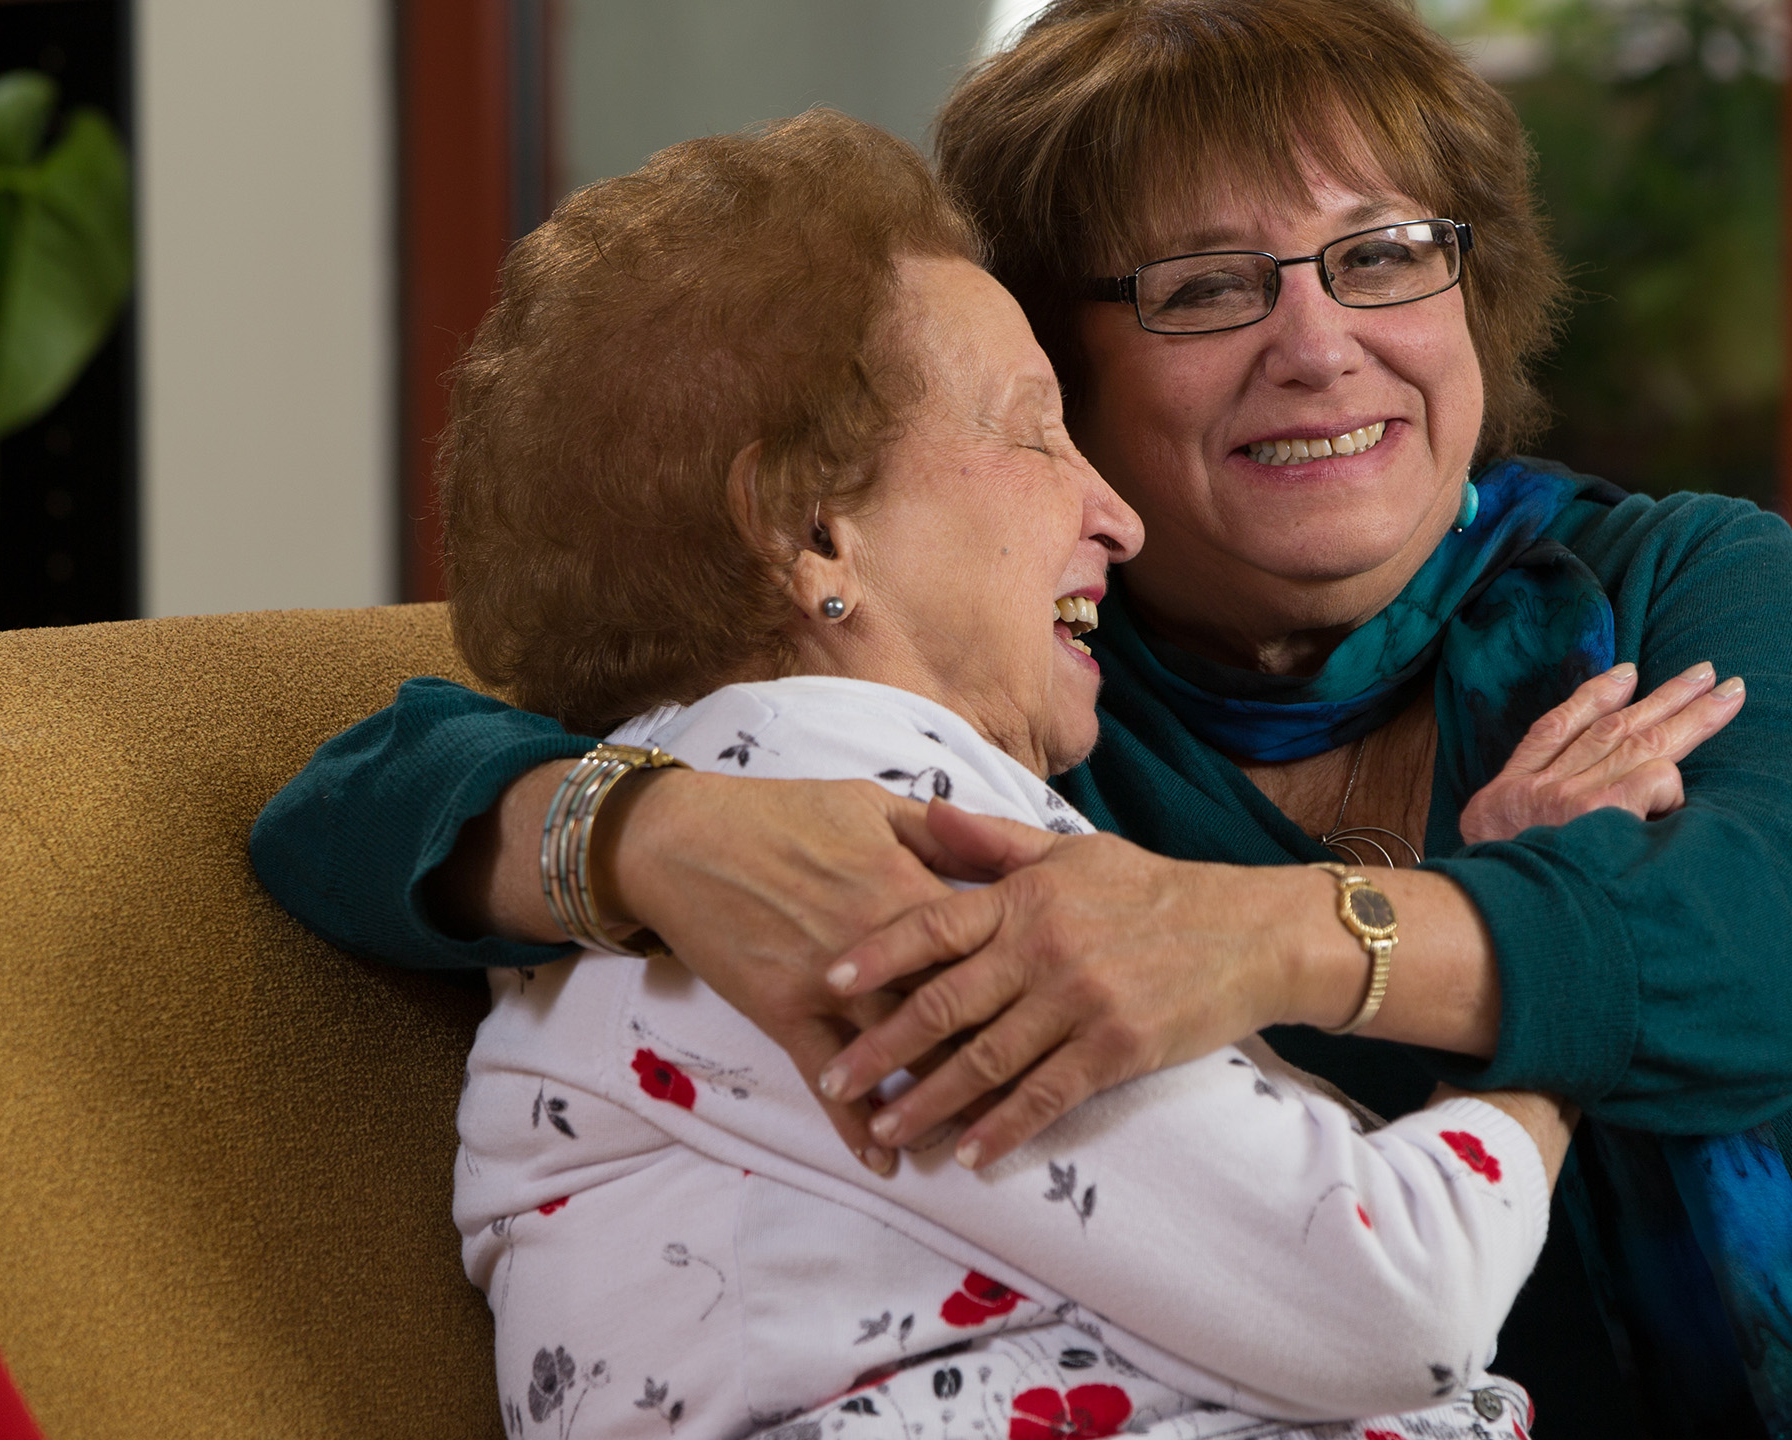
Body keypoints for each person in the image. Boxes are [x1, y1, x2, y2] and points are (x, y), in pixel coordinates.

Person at [256, 3, 1792, 1436]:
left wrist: (1258, 938)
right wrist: (656, 838)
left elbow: (1774, 963)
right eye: (1206, 289)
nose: (1322, 339)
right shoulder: (1015, 747)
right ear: (1063, 372)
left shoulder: (1663, 586)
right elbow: (348, 795)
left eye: (1385, 255)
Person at [444, 110, 1565, 1440]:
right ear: (814, 529)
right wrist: (1550, 952)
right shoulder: (839, 826)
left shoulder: (739, 814)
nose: (1118, 516)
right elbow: (1395, 1293)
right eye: (1039, 432)